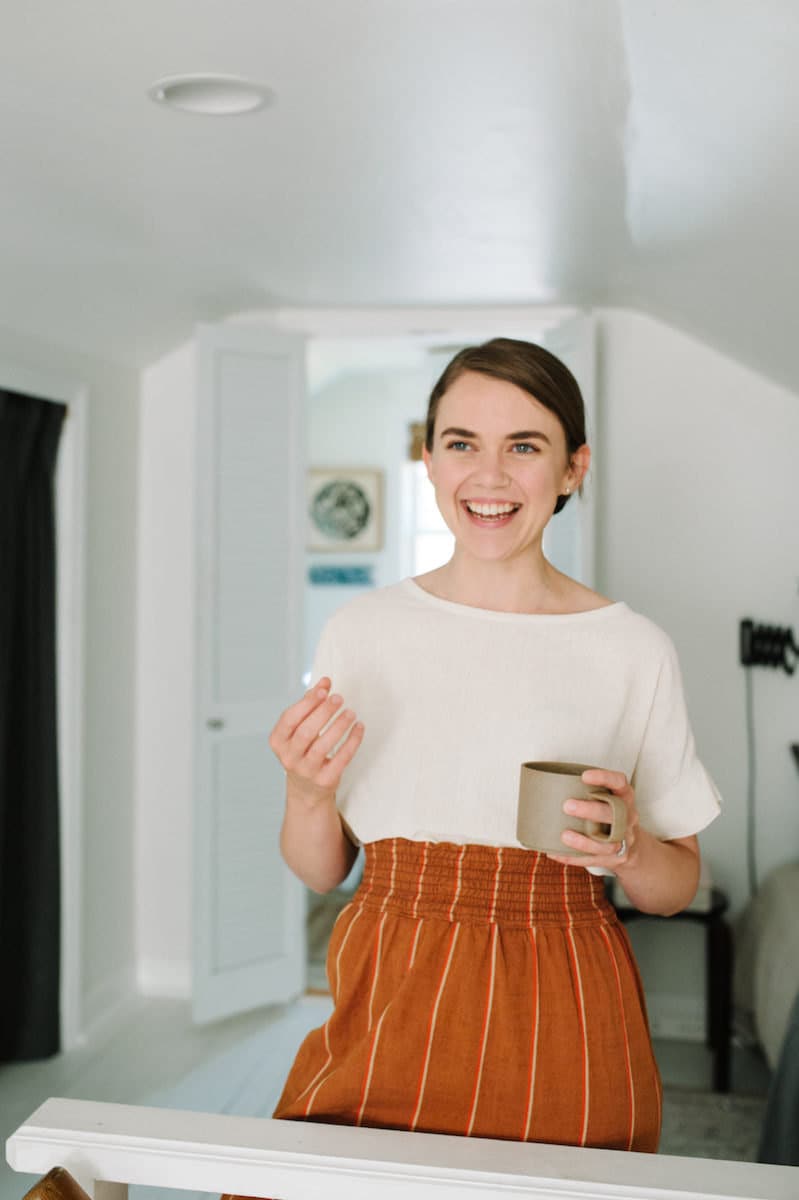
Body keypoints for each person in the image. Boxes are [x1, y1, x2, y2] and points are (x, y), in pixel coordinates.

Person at [266, 337, 721, 1154]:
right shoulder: (361, 633)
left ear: (573, 469)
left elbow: (676, 885)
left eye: (524, 446)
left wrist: (623, 848)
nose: (489, 475)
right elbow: (324, 867)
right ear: (429, 462)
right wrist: (306, 795)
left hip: (563, 1000)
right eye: (460, 444)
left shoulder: (631, 648)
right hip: (384, 996)